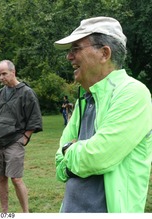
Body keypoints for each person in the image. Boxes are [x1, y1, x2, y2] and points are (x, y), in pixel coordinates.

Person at [54, 17, 152, 212]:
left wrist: (69, 152)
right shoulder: (85, 98)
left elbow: (98, 156)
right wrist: (70, 154)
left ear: (104, 53)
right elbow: (59, 164)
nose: (69, 57)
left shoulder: (132, 93)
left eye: (76, 49)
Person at [0, 60, 43, 213]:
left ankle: (25, 212)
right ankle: (4, 212)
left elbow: (34, 117)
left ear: (13, 72)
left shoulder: (26, 93)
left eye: (4, 73)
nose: (1, 77)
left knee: (16, 178)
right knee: (1, 177)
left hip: (14, 140)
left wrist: (25, 137)